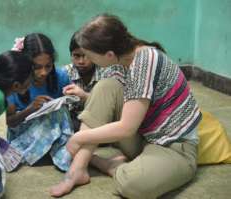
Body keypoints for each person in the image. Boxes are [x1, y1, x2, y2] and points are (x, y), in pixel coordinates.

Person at [50, 14, 202, 198]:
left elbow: (126, 128)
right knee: (105, 87)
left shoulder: (145, 61)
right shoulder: (120, 60)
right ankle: (77, 170)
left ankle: (104, 164)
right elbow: (106, 104)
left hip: (173, 146)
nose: (87, 60)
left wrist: (78, 138)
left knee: (131, 184)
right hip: (143, 135)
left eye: (90, 56)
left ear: (109, 54)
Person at [6, 33, 74, 171]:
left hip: (53, 130)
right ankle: (54, 155)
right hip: (23, 134)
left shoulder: (60, 76)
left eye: (48, 66)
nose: (43, 72)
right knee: (56, 115)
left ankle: (56, 152)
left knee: (61, 112)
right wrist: (30, 109)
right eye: (36, 67)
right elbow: (10, 122)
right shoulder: (15, 81)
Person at [63, 32, 104, 131]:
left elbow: (109, 106)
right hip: (72, 121)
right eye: (76, 56)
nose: (81, 61)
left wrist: (84, 96)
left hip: (100, 118)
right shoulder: (64, 73)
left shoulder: (105, 72)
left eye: (86, 56)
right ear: (71, 55)